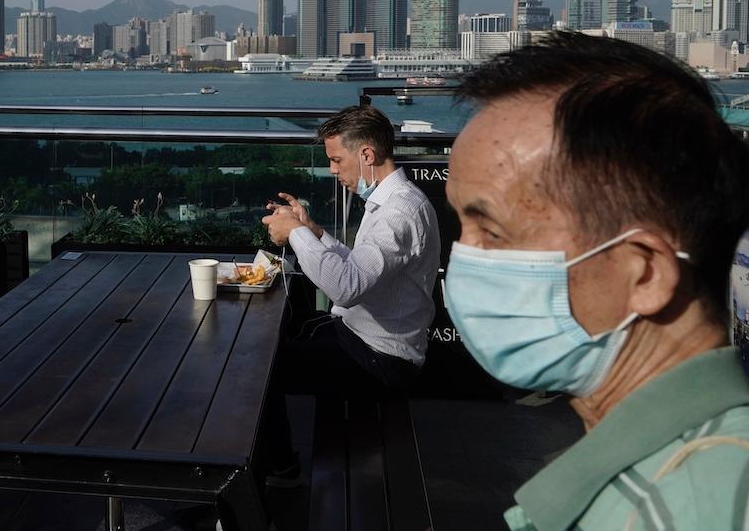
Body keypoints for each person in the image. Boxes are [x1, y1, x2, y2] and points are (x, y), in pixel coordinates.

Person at [445, 32, 749, 530]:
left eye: (493, 232)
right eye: (462, 226)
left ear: (645, 272)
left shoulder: (693, 506)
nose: (463, 261)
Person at [257, 104, 440, 484]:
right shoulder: (390, 202)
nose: (333, 170)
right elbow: (358, 268)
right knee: (281, 341)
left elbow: (346, 286)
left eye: (337, 160)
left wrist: (295, 233)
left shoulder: (399, 213)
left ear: (367, 154)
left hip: (381, 361)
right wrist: (315, 231)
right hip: (361, 339)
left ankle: (277, 471)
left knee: (258, 371)